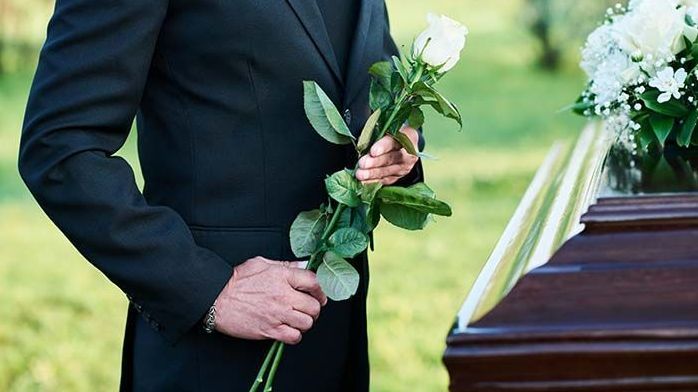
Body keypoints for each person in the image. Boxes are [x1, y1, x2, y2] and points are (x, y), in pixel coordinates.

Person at [18, 0, 423, 390]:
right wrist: (208, 290)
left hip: (336, 336)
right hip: (214, 354)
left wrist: (398, 140)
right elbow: (59, 147)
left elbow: (361, 71)